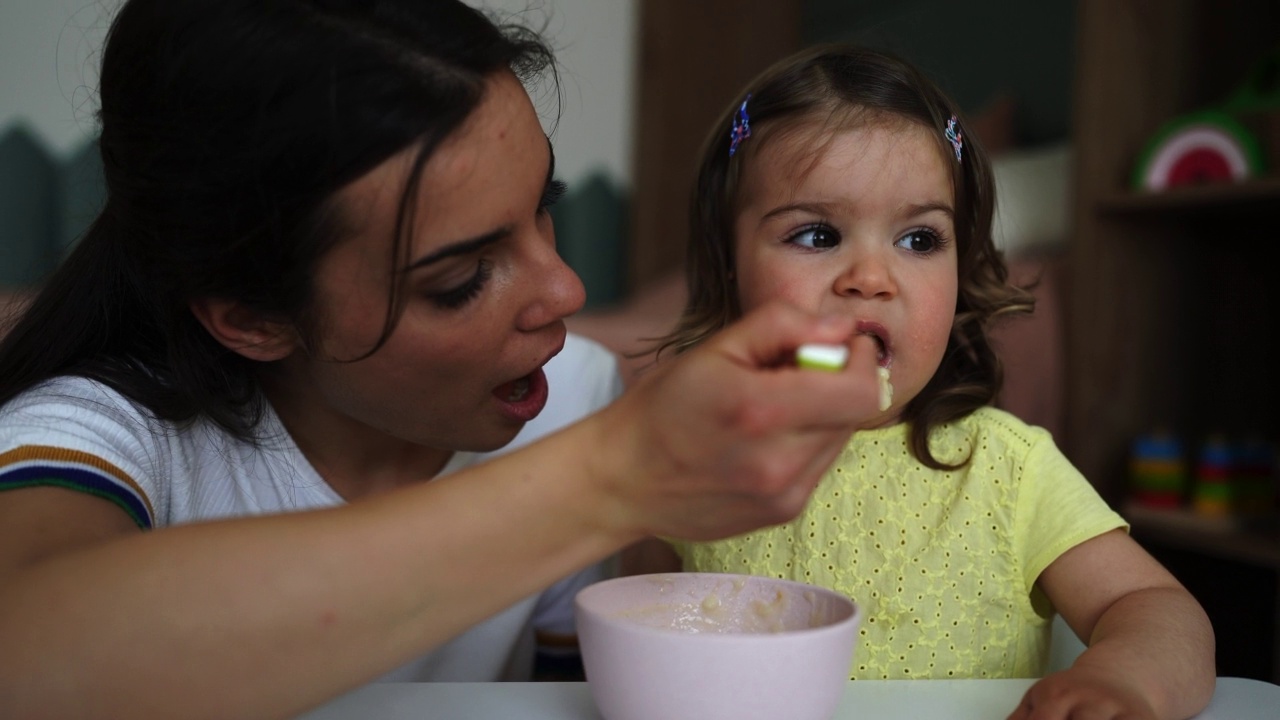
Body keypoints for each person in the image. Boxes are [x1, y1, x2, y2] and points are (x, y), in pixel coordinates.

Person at [0, 4, 890, 719]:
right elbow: (27, 657)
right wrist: (611, 477)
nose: (566, 290)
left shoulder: (574, 395)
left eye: (544, 207)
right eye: (463, 279)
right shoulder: (103, 430)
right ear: (251, 318)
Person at [624, 44, 1216, 720]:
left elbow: (1153, 607)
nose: (871, 278)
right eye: (818, 236)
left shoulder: (1008, 469)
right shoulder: (694, 456)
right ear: (727, 268)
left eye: (920, 240)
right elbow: (637, 620)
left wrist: (1124, 679)